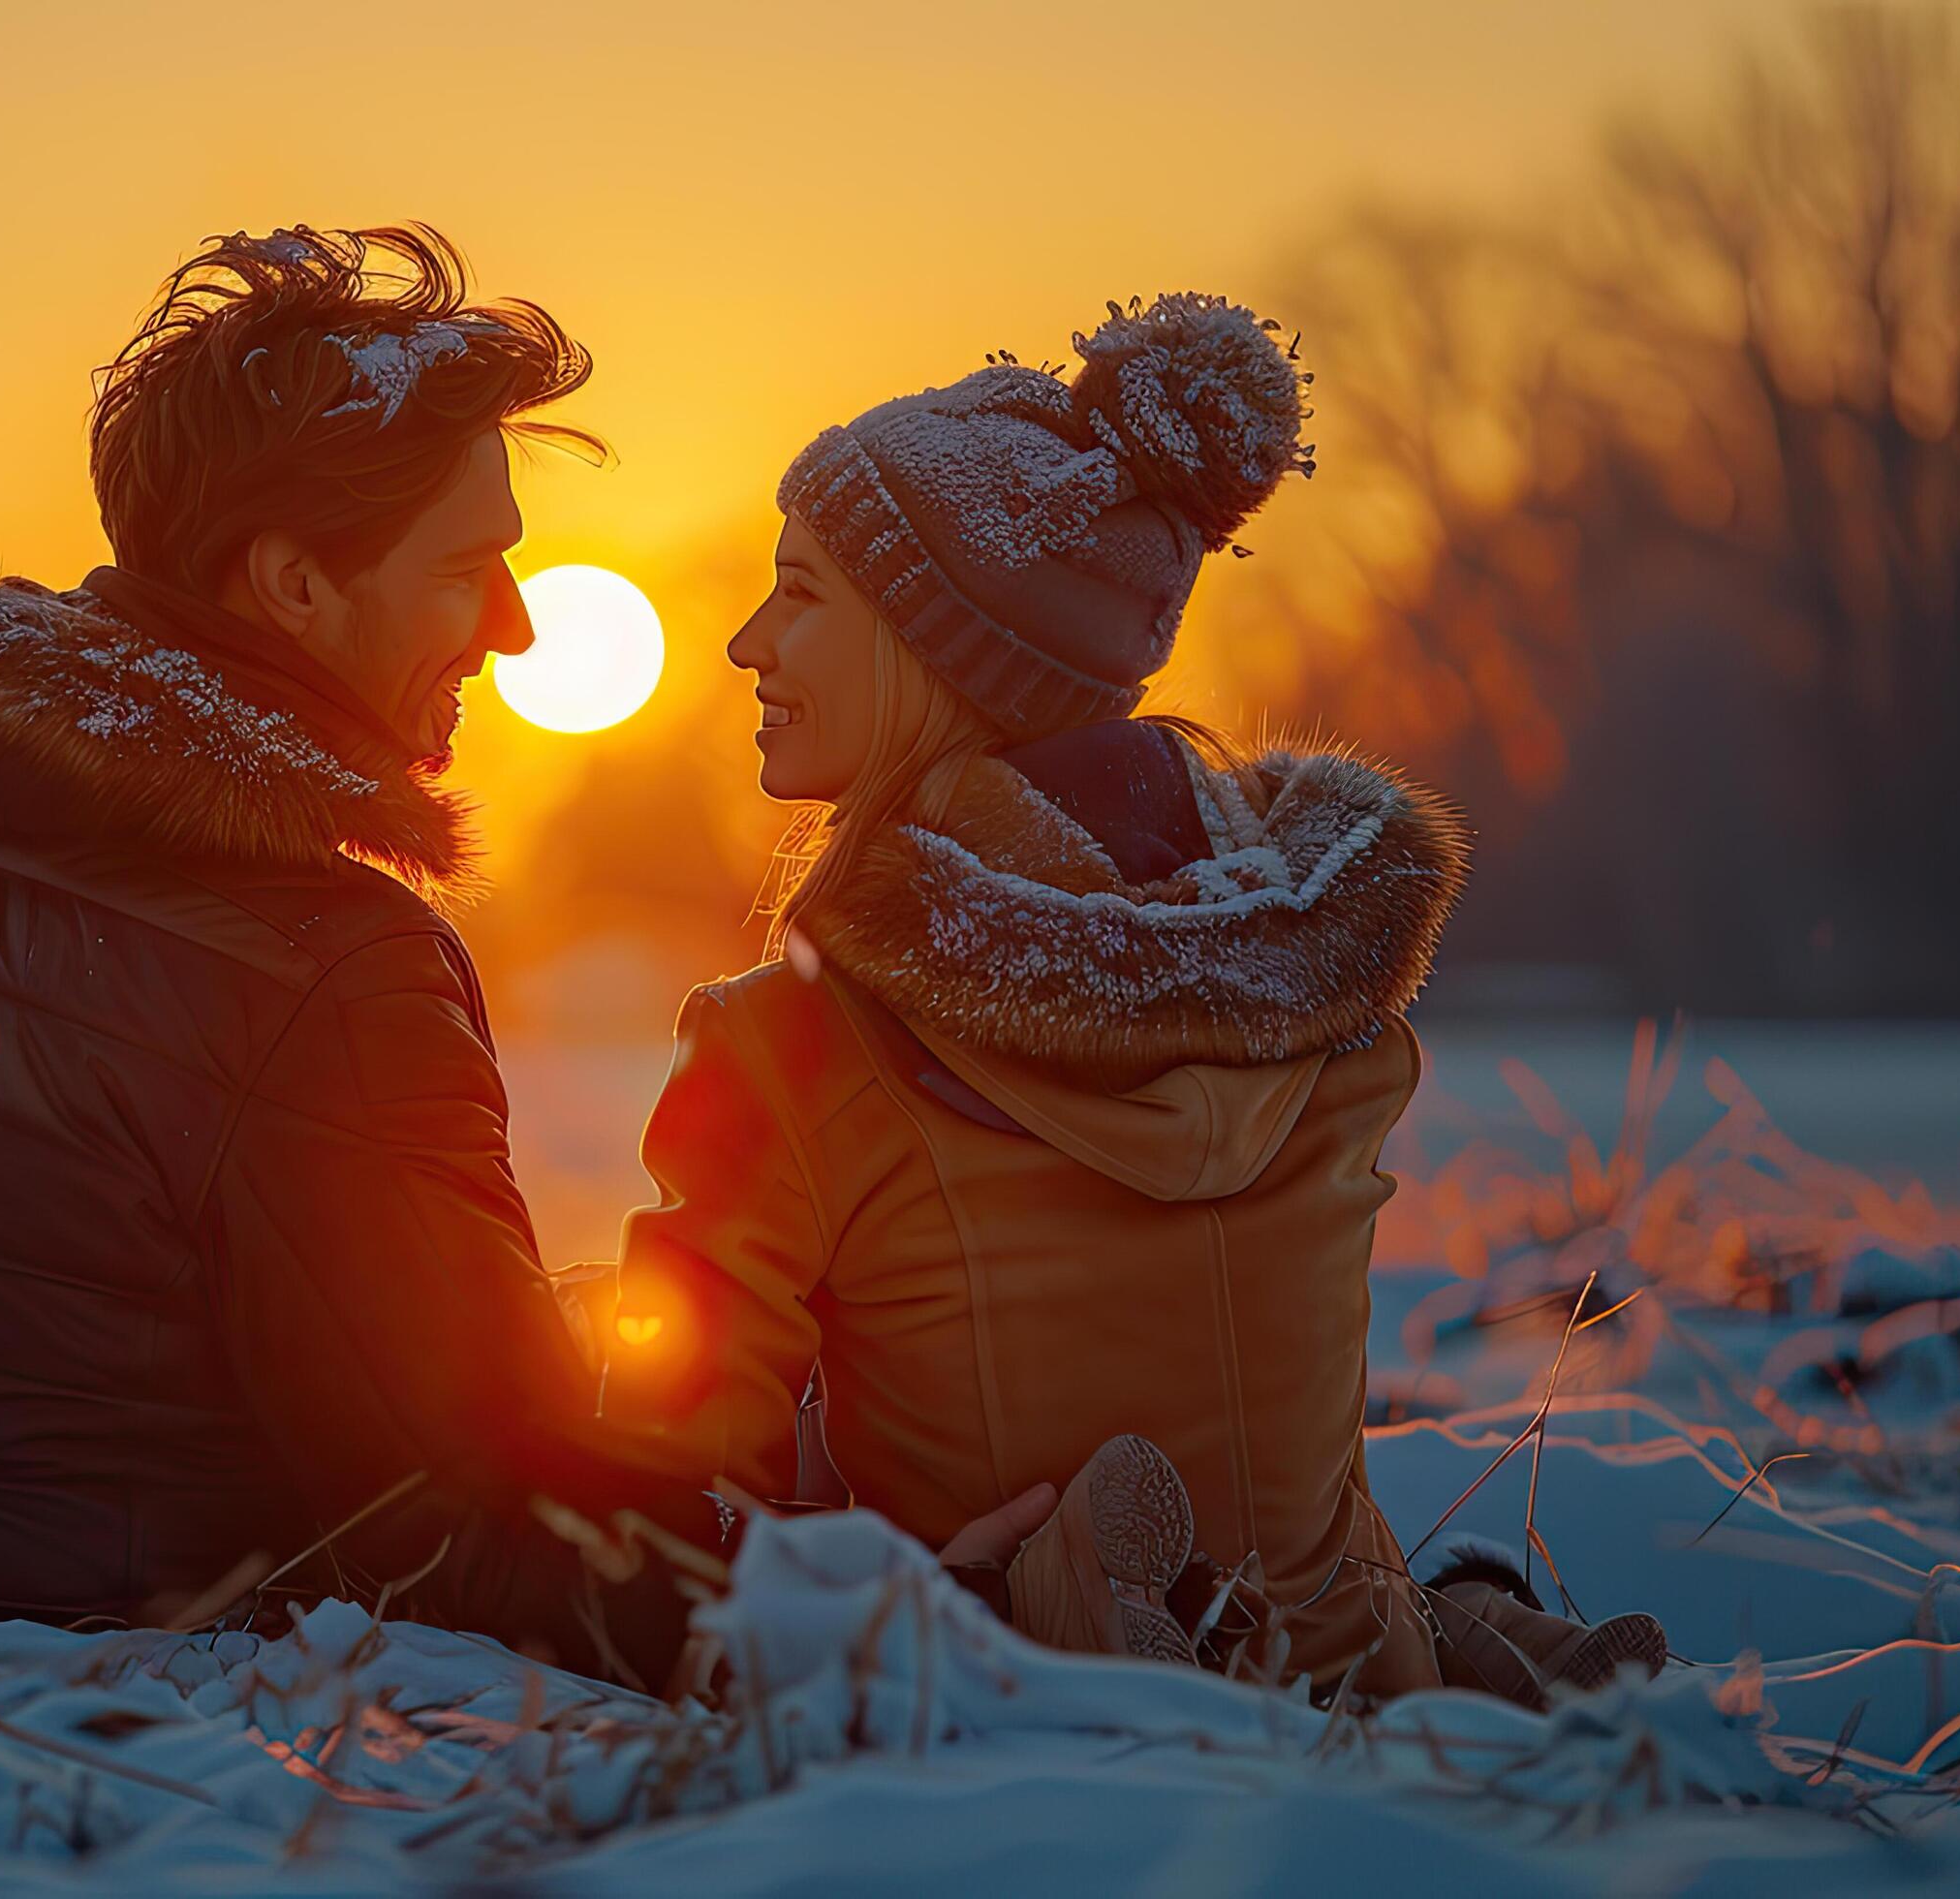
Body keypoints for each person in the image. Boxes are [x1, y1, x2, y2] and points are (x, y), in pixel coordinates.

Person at [0, 225, 1047, 1690]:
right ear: (294, 584)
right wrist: (902, 1615)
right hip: (107, 1728)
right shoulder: (324, 964)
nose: (514, 627)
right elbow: (469, 1527)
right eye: (466, 569)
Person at [591, 297, 1665, 1707]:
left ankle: (1041, 1599)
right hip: (1343, 1664)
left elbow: (669, 1516)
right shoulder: (1325, 1004)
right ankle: (1450, 1639)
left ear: (937, 647)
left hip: (1022, 1692)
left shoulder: (788, 1043)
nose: (743, 642)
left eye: (799, 593)